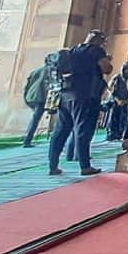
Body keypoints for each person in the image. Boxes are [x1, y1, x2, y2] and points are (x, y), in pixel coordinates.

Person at [48, 30, 112, 176]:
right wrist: (106, 60)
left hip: (66, 95)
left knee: (61, 130)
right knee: (83, 129)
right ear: (98, 40)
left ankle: (53, 166)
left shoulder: (73, 50)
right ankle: (85, 166)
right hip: (84, 95)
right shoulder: (96, 51)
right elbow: (106, 68)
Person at [22, 64, 50, 147]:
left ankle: (27, 140)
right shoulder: (51, 70)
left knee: (35, 118)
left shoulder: (37, 70)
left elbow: (28, 84)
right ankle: (27, 141)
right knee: (35, 119)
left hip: (32, 95)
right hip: (41, 97)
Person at [104, 62, 128, 141]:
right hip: (115, 101)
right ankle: (112, 134)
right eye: (127, 69)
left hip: (125, 102)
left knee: (123, 118)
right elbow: (110, 89)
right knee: (113, 118)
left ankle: (120, 134)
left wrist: (127, 101)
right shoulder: (117, 78)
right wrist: (117, 100)